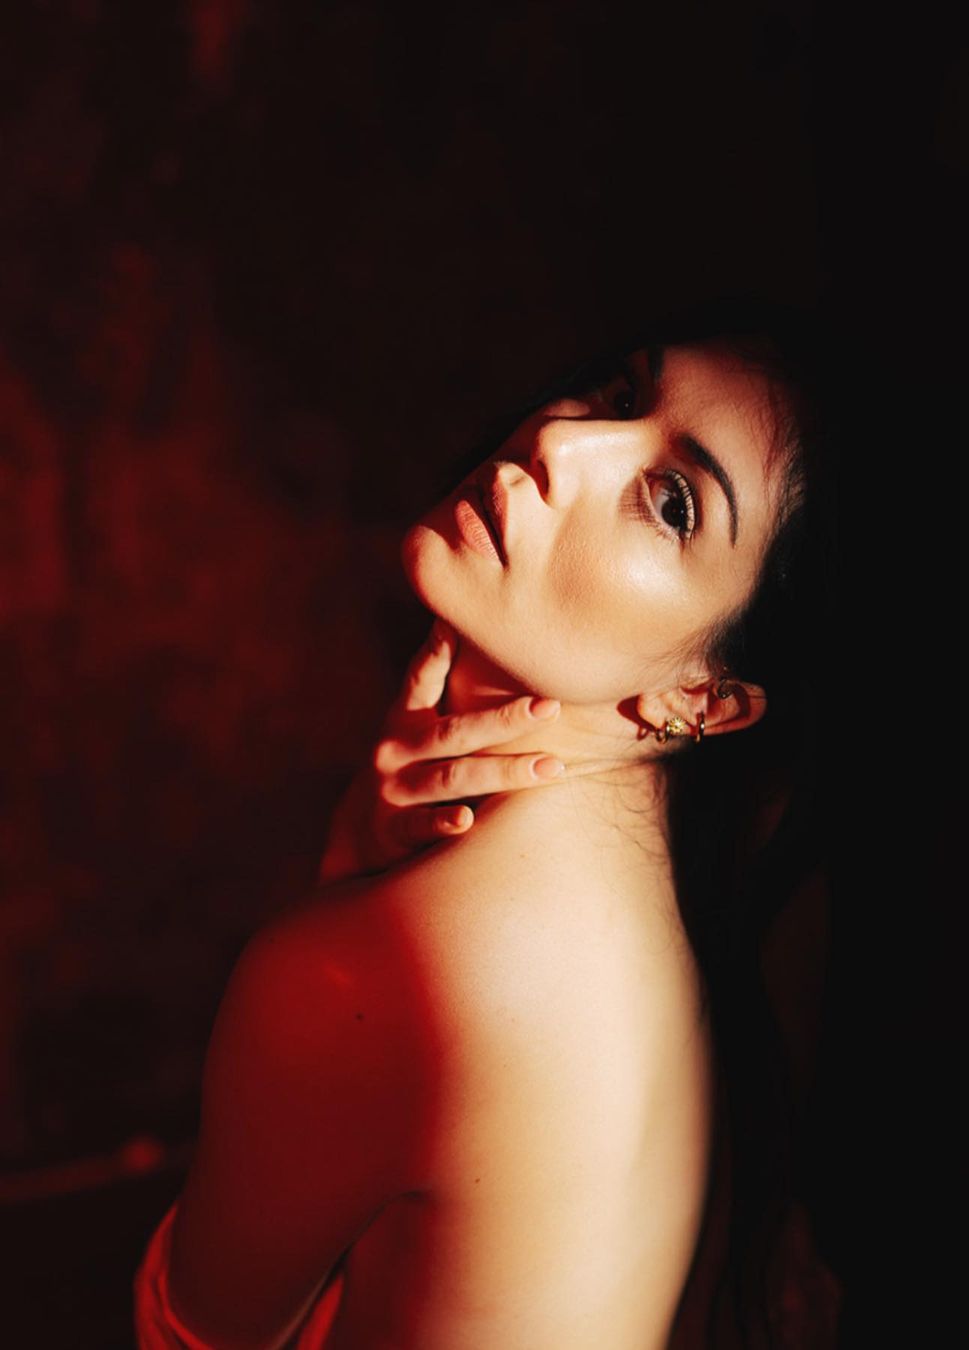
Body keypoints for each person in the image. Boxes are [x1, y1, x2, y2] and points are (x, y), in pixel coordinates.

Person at [134, 299, 839, 1349]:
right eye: (620, 394)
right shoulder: (670, 912)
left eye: (673, 504)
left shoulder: (375, 966)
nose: (561, 442)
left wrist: (343, 882)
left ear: (707, 699)